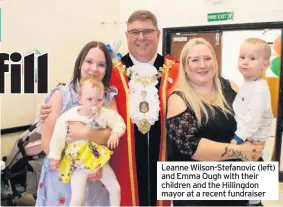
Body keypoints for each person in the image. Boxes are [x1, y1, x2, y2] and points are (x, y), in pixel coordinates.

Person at [40, 10, 179, 206]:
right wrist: (44, 111)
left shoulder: (178, 71)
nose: (141, 37)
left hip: (164, 168)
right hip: (116, 169)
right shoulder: (111, 73)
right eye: (134, 32)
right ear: (126, 36)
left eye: (147, 31)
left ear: (157, 33)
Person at [166, 37, 264, 206]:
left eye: (207, 58)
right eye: (195, 60)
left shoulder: (230, 86)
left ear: (215, 60)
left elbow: (250, 120)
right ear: (185, 65)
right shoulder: (178, 99)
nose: (202, 65)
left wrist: (256, 143)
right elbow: (192, 148)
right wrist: (241, 150)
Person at [36, 41, 119, 206]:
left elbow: (111, 137)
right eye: (89, 61)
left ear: (107, 70)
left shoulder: (107, 98)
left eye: (101, 64)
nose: (94, 68)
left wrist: (85, 133)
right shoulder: (62, 96)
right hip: (62, 175)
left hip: (96, 175)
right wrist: (80, 165)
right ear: (80, 64)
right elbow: (47, 144)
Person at [48, 76, 125, 206]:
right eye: (89, 99)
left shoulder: (104, 114)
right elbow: (58, 136)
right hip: (78, 165)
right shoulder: (69, 116)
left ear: (103, 99)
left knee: (115, 189)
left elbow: (119, 122)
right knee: (77, 197)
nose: (94, 104)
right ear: (80, 99)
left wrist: (115, 133)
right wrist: (55, 156)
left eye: (99, 100)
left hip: (98, 161)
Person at [231, 38, 273, 206]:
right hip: (248, 138)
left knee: (250, 184)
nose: (245, 62)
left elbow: (253, 118)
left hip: (251, 139)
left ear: (265, 66)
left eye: (252, 58)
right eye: (242, 57)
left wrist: (238, 137)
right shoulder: (248, 83)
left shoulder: (260, 87)